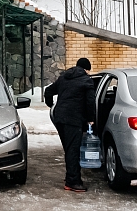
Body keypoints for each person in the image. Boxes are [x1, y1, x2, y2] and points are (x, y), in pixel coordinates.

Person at [44, 57, 96, 192]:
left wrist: (51, 105)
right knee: (73, 150)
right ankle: (72, 182)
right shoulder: (86, 80)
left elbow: (48, 91)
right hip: (73, 120)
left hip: (60, 118)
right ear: (86, 69)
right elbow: (90, 102)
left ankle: (71, 177)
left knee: (69, 149)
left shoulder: (64, 78)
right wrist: (91, 119)